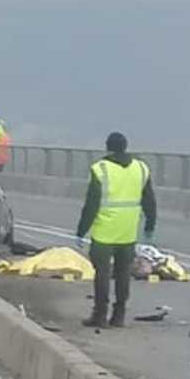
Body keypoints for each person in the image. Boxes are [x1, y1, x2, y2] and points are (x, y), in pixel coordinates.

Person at [76, 131, 157, 329]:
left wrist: (81, 230)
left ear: (107, 147)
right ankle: (119, 315)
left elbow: (91, 205)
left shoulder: (100, 169)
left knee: (102, 274)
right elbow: (149, 200)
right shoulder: (141, 168)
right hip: (128, 232)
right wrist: (149, 225)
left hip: (104, 233)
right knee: (123, 274)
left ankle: (100, 315)